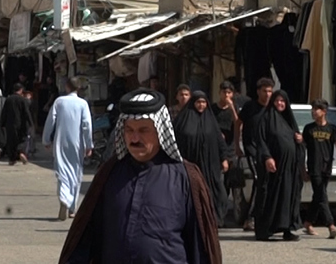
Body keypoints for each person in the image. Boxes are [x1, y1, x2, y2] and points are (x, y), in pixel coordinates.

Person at [59, 88, 223, 264]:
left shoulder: (186, 177)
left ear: (160, 132)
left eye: (144, 130)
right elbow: (86, 237)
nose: (135, 138)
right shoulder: (109, 174)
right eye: (129, 130)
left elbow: (201, 245)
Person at [173, 91, 233, 228]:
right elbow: (175, 141)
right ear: (193, 103)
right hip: (190, 165)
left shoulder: (211, 121)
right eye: (198, 102)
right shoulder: (182, 121)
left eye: (204, 102)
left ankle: (214, 219)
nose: (201, 105)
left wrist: (224, 158)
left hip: (210, 165)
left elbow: (219, 141)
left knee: (217, 192)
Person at [251, 90, 304, 241]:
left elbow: (297, 139)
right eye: (277, 101)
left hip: (290, 169)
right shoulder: (266, 118)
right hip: (274, 168)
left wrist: (299, 140)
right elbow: (260, 140)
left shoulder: (288, 120)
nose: (280, 104)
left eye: (283, 101)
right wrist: (267, 157)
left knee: (289, 198)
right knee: (270, 197)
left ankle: (288, 229)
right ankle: (265, 230)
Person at [43, 78, 93, 221]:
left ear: (67, 86)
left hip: (61, 142)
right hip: (77, 143)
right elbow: (87, 125)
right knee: (75, 174)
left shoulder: (59, 102)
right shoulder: (83, 104)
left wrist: (46, 139)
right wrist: (89, 144)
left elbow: (50, 121)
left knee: (62, 173)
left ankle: (64, 199)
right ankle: (72, 208)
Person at [301, 99, 336, 239]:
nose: (313, 112)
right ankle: (331, 226)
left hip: (327, 166)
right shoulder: (309, 129)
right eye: (312, 109)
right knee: (322, 195)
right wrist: (303, 168)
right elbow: (302, 149)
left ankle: (308, 222)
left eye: (316, 109)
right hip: (314, 167)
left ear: (324, 112)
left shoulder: (332, 128)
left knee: (318, 195)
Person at [237, 77, 274, 231]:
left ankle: (264, 215)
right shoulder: (249, 107)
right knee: (258, 180)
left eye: (270, 91)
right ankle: (250, 217)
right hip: (252, 148)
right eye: (264, 91)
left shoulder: (273, 108)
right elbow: (238, 123)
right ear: (258, 92)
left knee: (266, 182)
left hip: (269, 150)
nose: (267, 94)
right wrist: (236, 145)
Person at [0, 84, 34, 165]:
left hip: (10, 124)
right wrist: (30, 123)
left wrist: (2, 123)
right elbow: (26, 112)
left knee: (11, 141)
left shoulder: (8, 99)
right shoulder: (23, 100)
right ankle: (21, 152)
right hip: (21, 124)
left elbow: (4, 112)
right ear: (21, 90)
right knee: (22, 139)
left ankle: (12, 159)